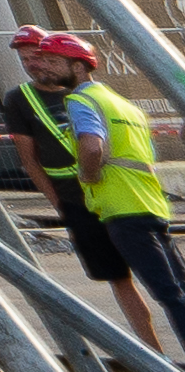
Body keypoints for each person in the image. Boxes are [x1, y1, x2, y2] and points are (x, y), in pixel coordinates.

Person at [17, 28, 185, 355]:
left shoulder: (81, 100)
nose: (45, 66)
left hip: (121, 208)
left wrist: (88, 176)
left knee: (169, 293)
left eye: (54, 61)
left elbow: (91, 148)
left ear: (79, 66)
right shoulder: (122, 104)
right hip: (151, 204)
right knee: (179, 287)